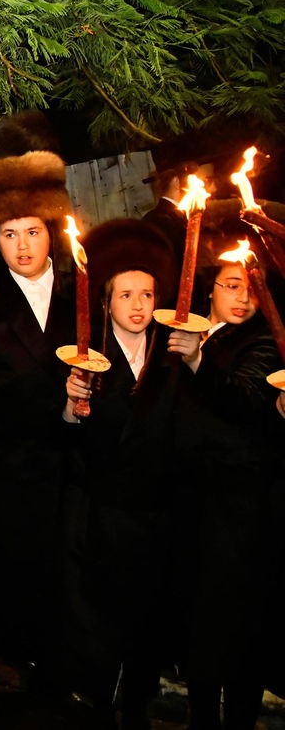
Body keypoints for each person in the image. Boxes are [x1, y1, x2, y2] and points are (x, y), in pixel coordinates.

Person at [61, 219, 201, 729]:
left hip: (157, 513)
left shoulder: (172, 360)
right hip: (104, 512)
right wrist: (73, 407)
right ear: (106, 301)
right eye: (126, 294)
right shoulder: (87, 361)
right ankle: (98, 698)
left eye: (147, 294)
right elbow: (73, 432)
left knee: (149, 617)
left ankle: (138, 702)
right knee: (101, 616)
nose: (138, 305)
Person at [0, 126, 76, 693]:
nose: (23, 245)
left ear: (50, 231)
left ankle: (49, 668)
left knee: (55, 574)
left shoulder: (84, 298)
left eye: (32, 231)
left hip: (66, 469)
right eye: (8, 234)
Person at [176, 245, 282, 730]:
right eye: (232, 285)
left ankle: (238, 714)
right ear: (211, 289)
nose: (242, 297)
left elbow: (243, 401)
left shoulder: (262, 342)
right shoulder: (190, 330)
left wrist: (198, 362)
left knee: (238, 620)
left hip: (239, 508)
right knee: (197, 616)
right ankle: (201, 711)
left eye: (252, 287)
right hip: (191, 500)